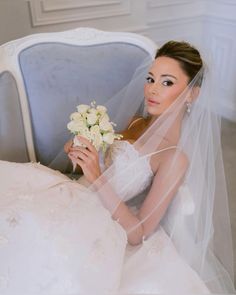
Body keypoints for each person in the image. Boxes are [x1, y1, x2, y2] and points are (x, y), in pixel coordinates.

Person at [0, 41, 235, 294]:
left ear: (192, 93)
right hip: (69, 192)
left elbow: (140, 233)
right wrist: (84, 152)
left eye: (167, 82)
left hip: (92, 216)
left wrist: (97, 176)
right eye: (150, 79)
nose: (152, 90)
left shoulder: (174, 158)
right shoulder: (136, 122)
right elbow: (103, 165)